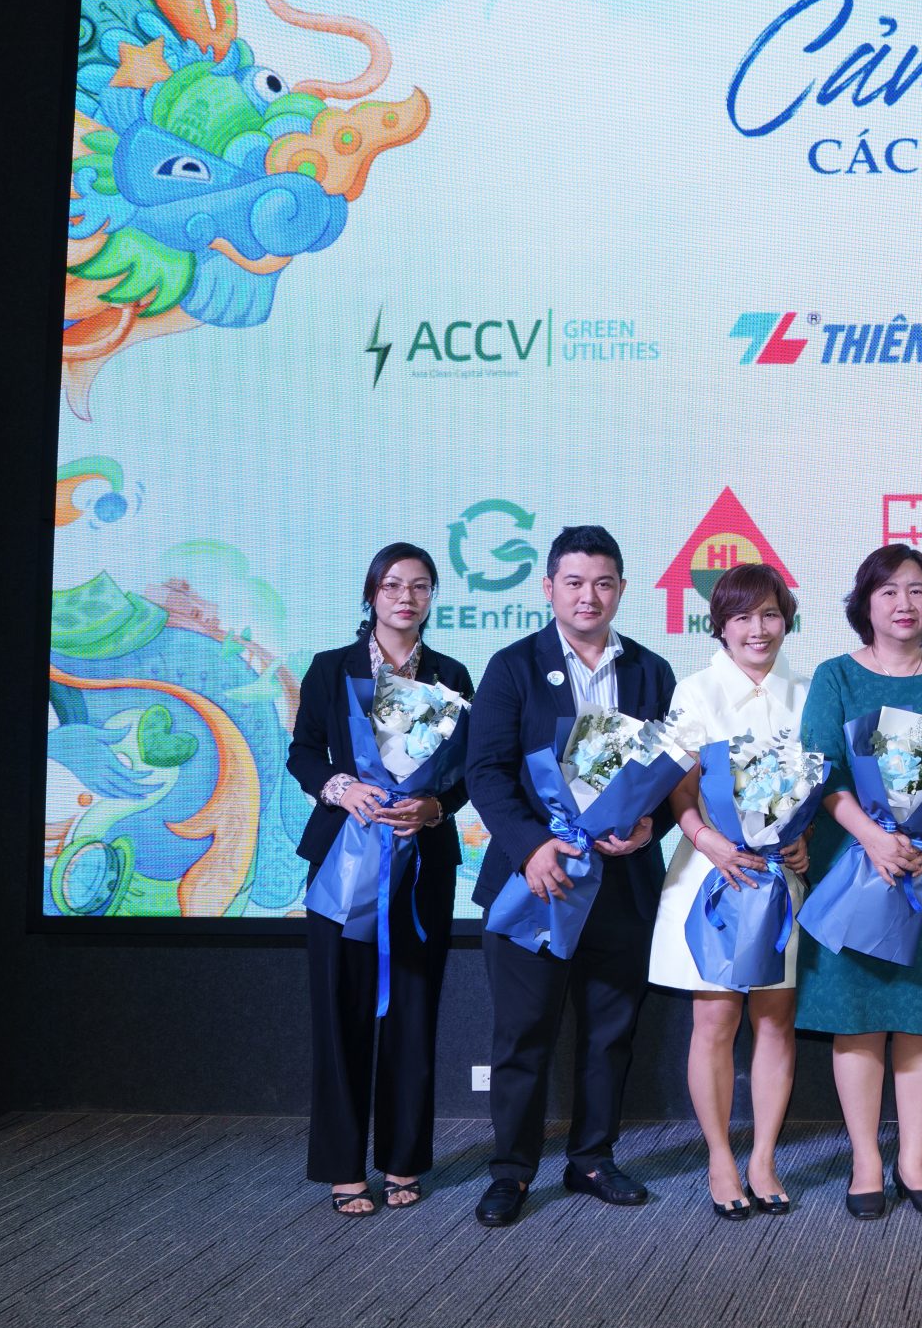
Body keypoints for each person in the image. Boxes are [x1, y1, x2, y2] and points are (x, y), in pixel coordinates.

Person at [464, 524, 675, 1228]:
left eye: (603, 582)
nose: (590, 596)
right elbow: (485, 771)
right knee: (522, 1035)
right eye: (575, 582)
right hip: (538, 881)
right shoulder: (512, 667)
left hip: (621, 882)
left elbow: (669, 773)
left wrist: (650, 825)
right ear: (549, 587)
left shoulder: (651, 670)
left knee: (610, 1032)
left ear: (622, 589)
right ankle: (511, 1171)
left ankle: (591, 1158)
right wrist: (531, 847)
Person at [287, 542, 475, 1216]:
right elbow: (302, 753)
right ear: (371, 594)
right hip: (344, 859)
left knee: (414, 1015)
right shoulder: (330, 668)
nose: (405, 597)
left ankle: (402, 1161)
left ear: (431, 598)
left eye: (419, 586)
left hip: (421, 864)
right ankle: (343, 1167)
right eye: (392, 585)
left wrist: (434, 807)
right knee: (339, 1016)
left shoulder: (452, 675)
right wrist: (342, 788)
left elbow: (469, 771)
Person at [796, 544, 922, 1219]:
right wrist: (873, 837)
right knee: (858, 1019)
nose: (905, 604)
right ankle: (866, 1162)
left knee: (920, 1019)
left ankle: (914, 1162)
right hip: (855, 867)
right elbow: (820, 771)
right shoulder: (836, 675)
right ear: (865, 603)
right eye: (889, 591)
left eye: (917, 590)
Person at [648, 563, 813, 1220]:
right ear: (719, 626)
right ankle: (720, 1158)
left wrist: (805, 841)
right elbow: (678, 784)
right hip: (710, 874)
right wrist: (704, 838)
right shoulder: (696, 691)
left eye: (770, 614)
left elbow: (818, 787)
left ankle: (764, 1157)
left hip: (780, 879)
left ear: (786, 620)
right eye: (742, 617)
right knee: (715, 1019)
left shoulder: (808, 692)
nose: (757, 629)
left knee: (775, 1018)